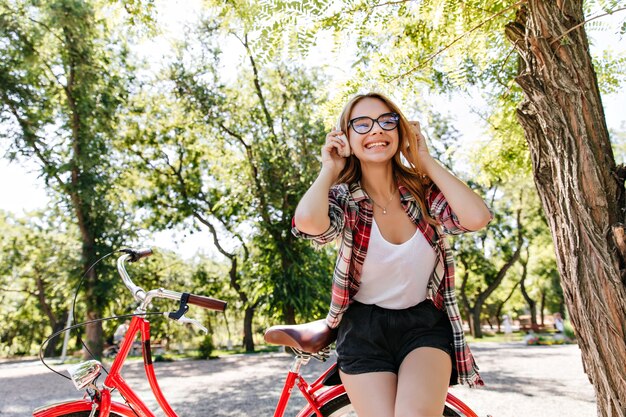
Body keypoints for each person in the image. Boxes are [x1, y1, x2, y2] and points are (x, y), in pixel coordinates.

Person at [292, 92, 492, 417]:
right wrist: (328, 169)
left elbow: (476, 217)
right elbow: (310, 223)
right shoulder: (345, 199)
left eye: (387, 121)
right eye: (362, 124)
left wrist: (424, 159)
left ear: (400, 132)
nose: (376, 130)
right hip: (363, 330)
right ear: (346, 137)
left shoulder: (422, 192)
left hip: (423, 324)